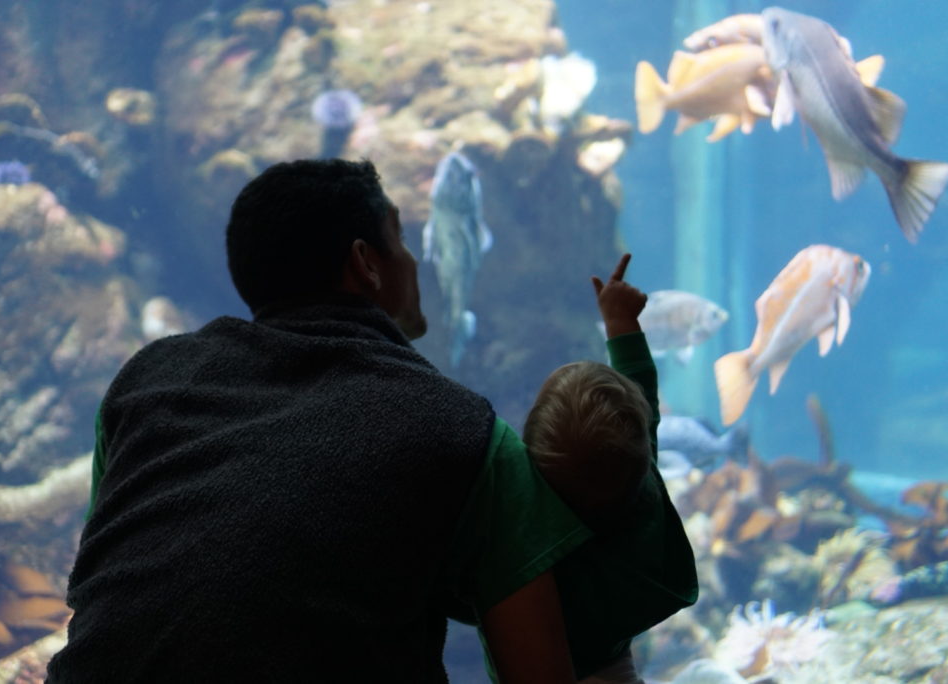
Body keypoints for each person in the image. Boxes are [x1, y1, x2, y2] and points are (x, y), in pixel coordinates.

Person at [47, 159, 592, 683]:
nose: (415, 261)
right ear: (366, 264)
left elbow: (103, 578)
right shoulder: (463, 429)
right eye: (400, 241)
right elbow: (540, 670)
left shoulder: (146, 383)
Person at [465, 254, 699, 683]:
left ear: (530, 459)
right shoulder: (638, 504)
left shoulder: (530, 529)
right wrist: (620, 321)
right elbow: (642, 400)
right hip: (615, 666)